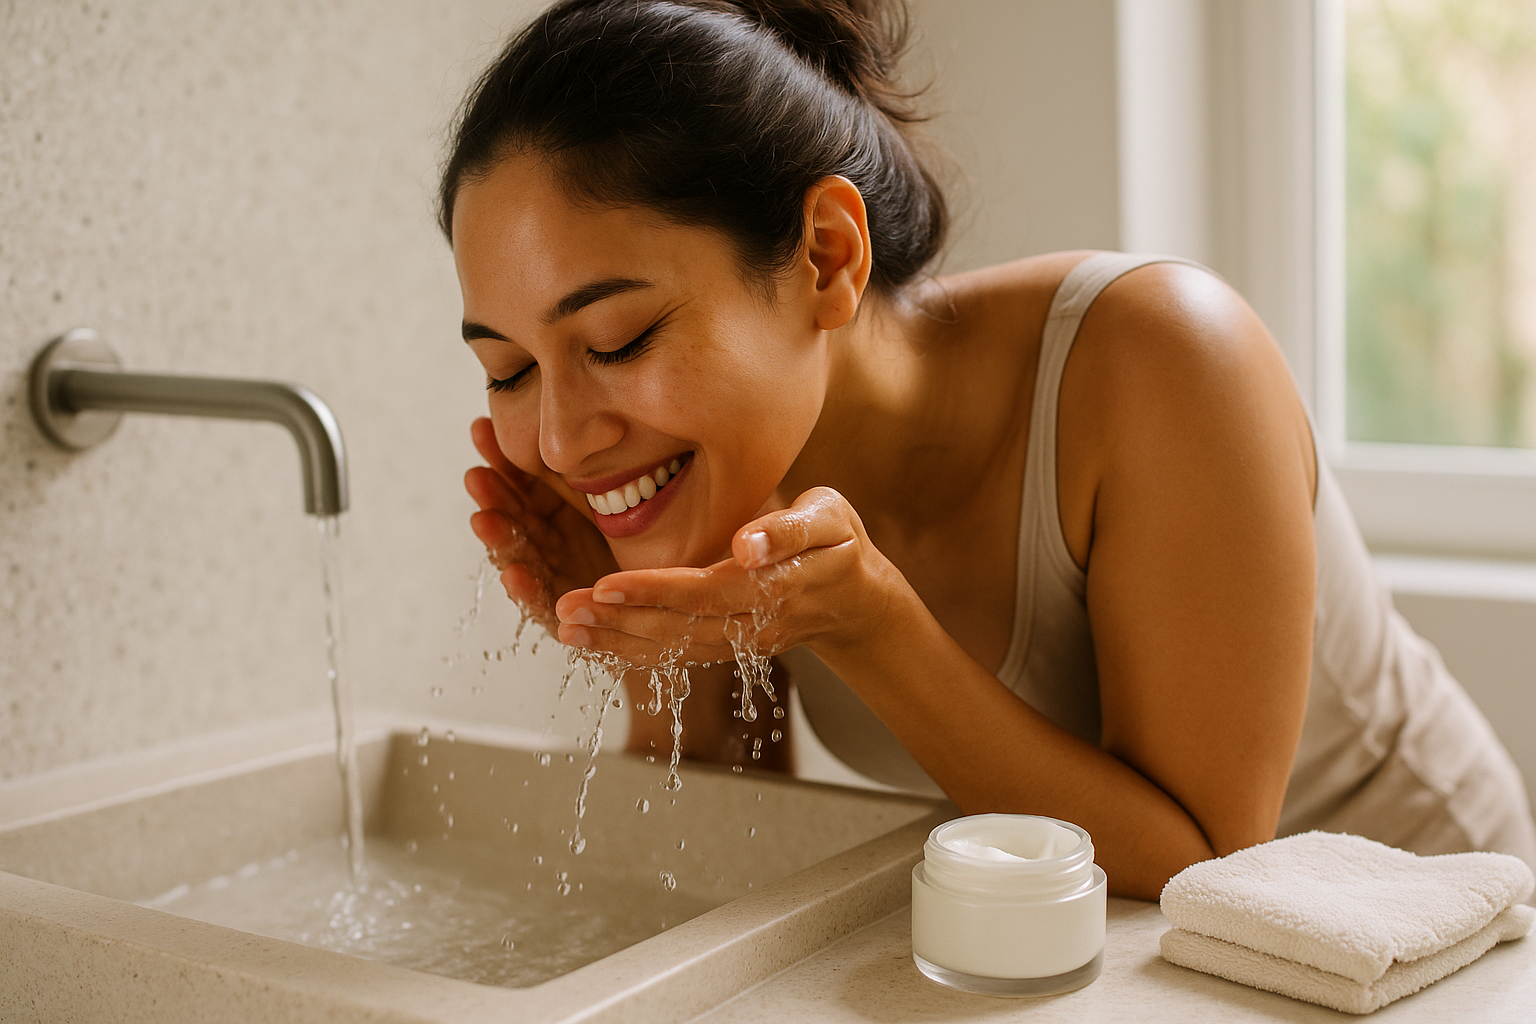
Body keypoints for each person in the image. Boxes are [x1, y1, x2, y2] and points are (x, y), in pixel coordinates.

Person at [442, 0, 1536, 900]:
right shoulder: (728, 457)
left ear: (827, 255)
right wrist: (654, 634)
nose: (560, 437)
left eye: (616, 340)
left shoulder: (1165, 360)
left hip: (1419, 921)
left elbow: (1207, 870)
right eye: (510, 368)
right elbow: (726, 841)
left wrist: (866, 619)